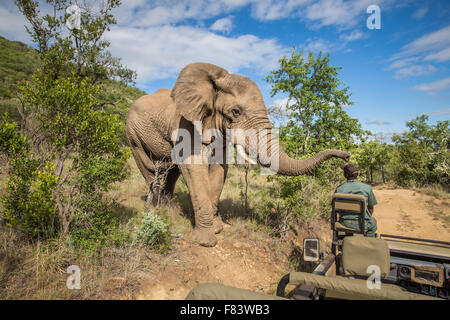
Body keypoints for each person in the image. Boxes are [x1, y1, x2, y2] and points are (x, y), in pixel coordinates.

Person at [335, 163, 378, 237]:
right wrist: (369, 217)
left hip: (344, 223)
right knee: (373, 224)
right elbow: (371, 208)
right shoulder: (367, 188)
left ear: (345, 175)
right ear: (357, 174)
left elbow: (336, 209)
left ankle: (349, 239)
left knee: (348, 225)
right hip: (362, 223)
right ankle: (368, 242)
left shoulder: (339, 189)